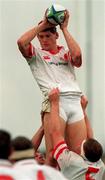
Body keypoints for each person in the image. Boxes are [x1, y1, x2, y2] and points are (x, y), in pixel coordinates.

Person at [17, 9, 88, 165]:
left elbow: (78, 57)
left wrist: (64, 28)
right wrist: (43, 25)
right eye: (40, 37)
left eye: (48, 35)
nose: (44, 40)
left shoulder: (65, 53)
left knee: (80, 156)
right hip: (56, 102)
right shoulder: (36, 55)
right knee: (53, 155)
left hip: (75, 102)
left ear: (56, 36)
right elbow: (21, 42)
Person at [48, 88, 105, 180]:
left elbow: (55, 133)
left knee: (51, 156)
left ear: (81, 152)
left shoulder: (71, 162)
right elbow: (91, 139)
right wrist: (83, 112)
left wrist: (54, 103)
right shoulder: (100, 166)